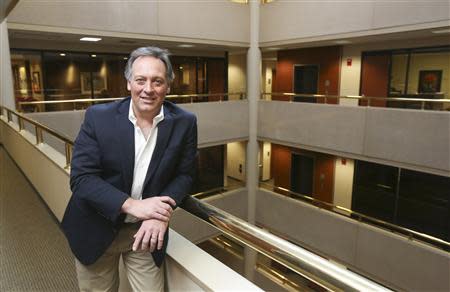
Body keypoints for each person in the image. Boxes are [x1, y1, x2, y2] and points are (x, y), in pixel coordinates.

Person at [61, 46, 198, 291]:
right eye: (140, 80)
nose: (148, 89)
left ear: (168, 86)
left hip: (145, 232)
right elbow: (82, 178)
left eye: (157, 81)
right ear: (128, 83)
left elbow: (185, 174)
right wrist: (135, 206)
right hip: (96, 226)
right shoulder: (98, 117)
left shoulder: (185, 122)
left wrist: (160, 213)